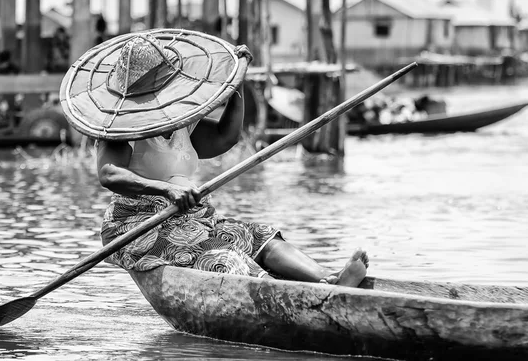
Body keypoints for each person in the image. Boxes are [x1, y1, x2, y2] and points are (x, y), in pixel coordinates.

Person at [95, 35, 369, 287]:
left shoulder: (181, 122)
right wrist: (166, 189)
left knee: (260, 237)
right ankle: (284, 293)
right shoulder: (121, 128)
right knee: (225, 257)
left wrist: (236, 84)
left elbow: (225, 137)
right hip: (140, 223)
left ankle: (330, 280)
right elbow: (110, 175)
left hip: (191, 217)